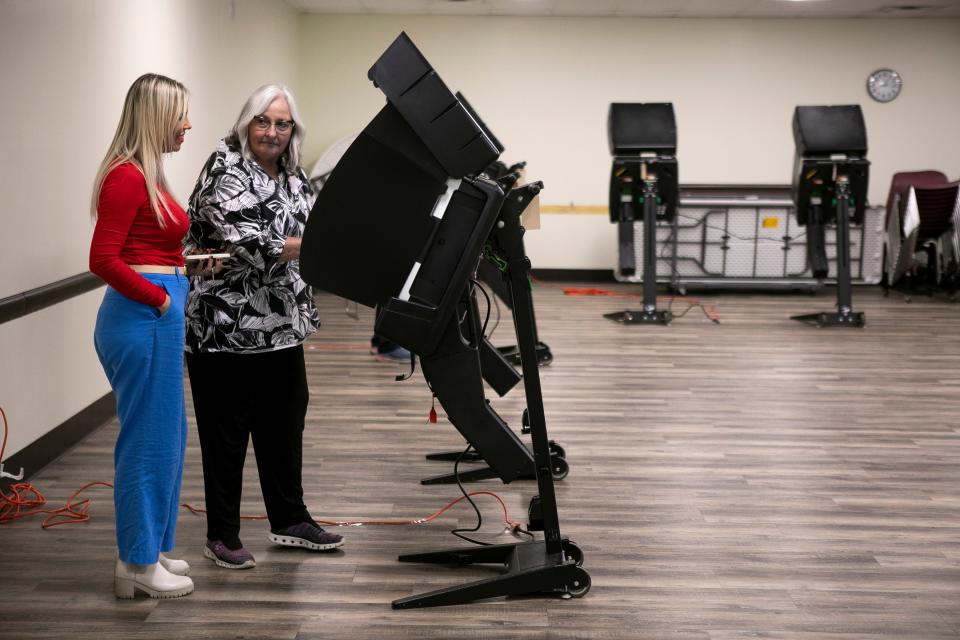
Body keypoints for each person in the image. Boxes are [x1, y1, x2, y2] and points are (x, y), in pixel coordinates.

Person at [184, 83, 344, 570]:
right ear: (246, 122)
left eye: (282, 123)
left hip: (282, 327)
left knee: (284, 421)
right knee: (227, 433)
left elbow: (307, 231)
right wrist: (325, 240)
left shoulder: (295, 176)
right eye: (263, 121)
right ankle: (222, 535)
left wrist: (323, 239)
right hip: (227, 329)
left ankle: (289, 518)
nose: (272, 132)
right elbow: (251, 245)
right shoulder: (224, 168)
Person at [89, 73, 208, 599]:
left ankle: (148, 551)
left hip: (158, 314)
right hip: (143, 319)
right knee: (147, 442)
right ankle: (136, 563)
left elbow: (153, 250)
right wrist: (161, 299)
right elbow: (102, 259)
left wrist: (190, 271)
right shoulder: (126, 177)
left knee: (169, 439)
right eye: (180, 114)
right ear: (155, 116)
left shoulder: (149, 177)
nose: (187, 124)